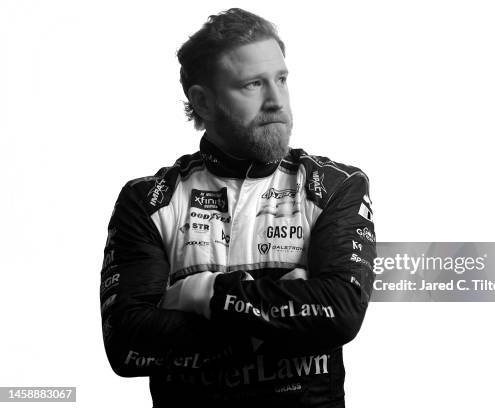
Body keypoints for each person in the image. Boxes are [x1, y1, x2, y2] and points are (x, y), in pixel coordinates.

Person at [100, 8, 376, 408]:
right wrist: (282, 315)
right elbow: (127, 345)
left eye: (281, 79)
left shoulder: (335, 187)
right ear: (202, 101)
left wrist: (203, 293)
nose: (276, 101)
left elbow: (342, 313)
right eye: (252, 85)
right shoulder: (148, 201)